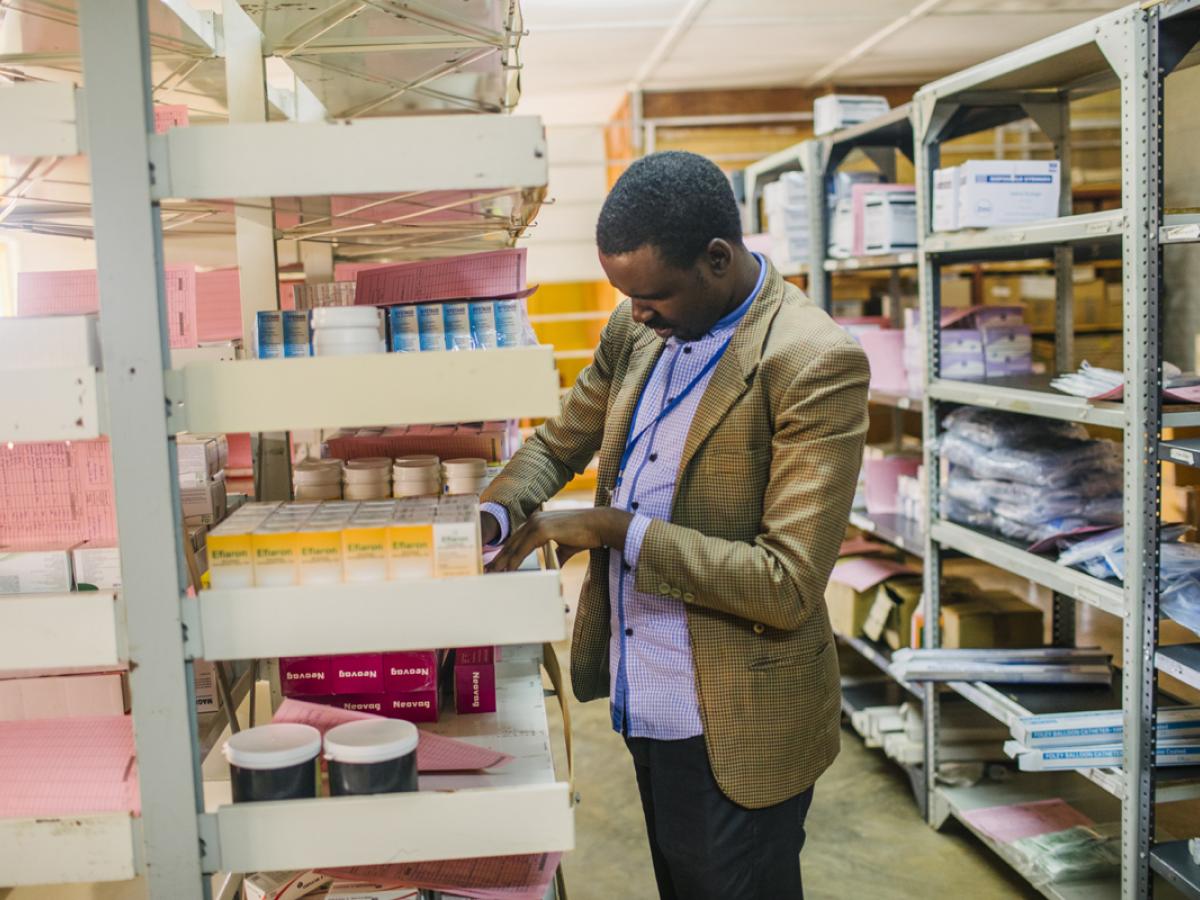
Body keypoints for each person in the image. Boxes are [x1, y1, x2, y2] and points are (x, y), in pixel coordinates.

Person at [480, 150, 869, 900]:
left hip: (733, 715)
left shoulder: (810, 362)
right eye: (626, 295)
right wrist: (495, 513)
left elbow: (786, 582)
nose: (636, 312)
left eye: (652, 295)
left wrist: (616, 530)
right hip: (644, 691)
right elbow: (562, 440)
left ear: (718, 259)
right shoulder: (639, 329)